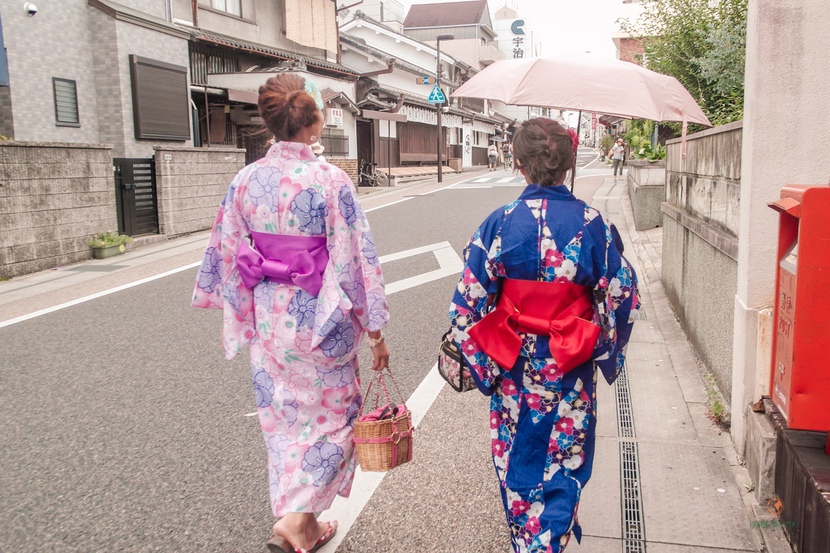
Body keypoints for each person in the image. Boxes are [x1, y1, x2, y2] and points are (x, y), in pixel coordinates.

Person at [192, 73, 390, 553]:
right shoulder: (330, 181)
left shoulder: (245, 180)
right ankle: (298, 520)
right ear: (315, 121)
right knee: (336, 419)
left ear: (270, 121)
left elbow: (228, 251)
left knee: (283, 417)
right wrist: (375, 330)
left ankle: (296, 519)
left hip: (270, 318)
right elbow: (355, 260)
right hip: (321, 320)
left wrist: (243, 308)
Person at [448, 118, 639, 553]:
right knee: (564, 458)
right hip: (568, 367)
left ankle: (530, 541)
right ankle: (552, 537)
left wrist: (483, 362)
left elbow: (466, 305)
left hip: (513, 368)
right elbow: (623, 297)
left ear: (518, 163)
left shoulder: (498, 224)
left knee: (518, 460)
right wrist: (602, 345)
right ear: (569, 162)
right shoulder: (594, 225)